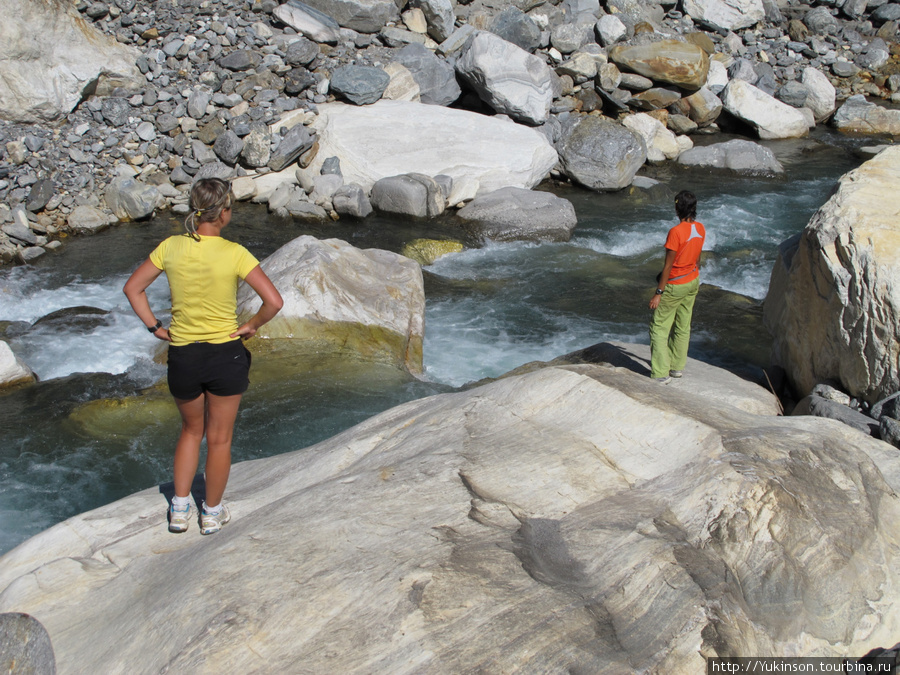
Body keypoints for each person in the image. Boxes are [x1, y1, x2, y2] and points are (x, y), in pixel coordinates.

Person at [123, 178, 283, 535]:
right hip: (226, 355)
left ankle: (179, 510)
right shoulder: (235, 253)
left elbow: (133, 289)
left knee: (191, 431)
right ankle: (211, 513)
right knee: (220, 438)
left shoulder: (170, 247)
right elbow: (274, 302)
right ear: (224, 213)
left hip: (183, 355)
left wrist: (155, 328)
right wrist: (251, 325)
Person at [648, 190, 705, 384]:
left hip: (675, 285)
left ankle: (661, 373)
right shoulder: (700, 228)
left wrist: (658, 293)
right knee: (683, 326)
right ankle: (676, 368)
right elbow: (698, 259)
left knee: (658, 328)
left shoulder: (675, 232)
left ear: (677, 207)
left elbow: (668, 266)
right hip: (693, 280)